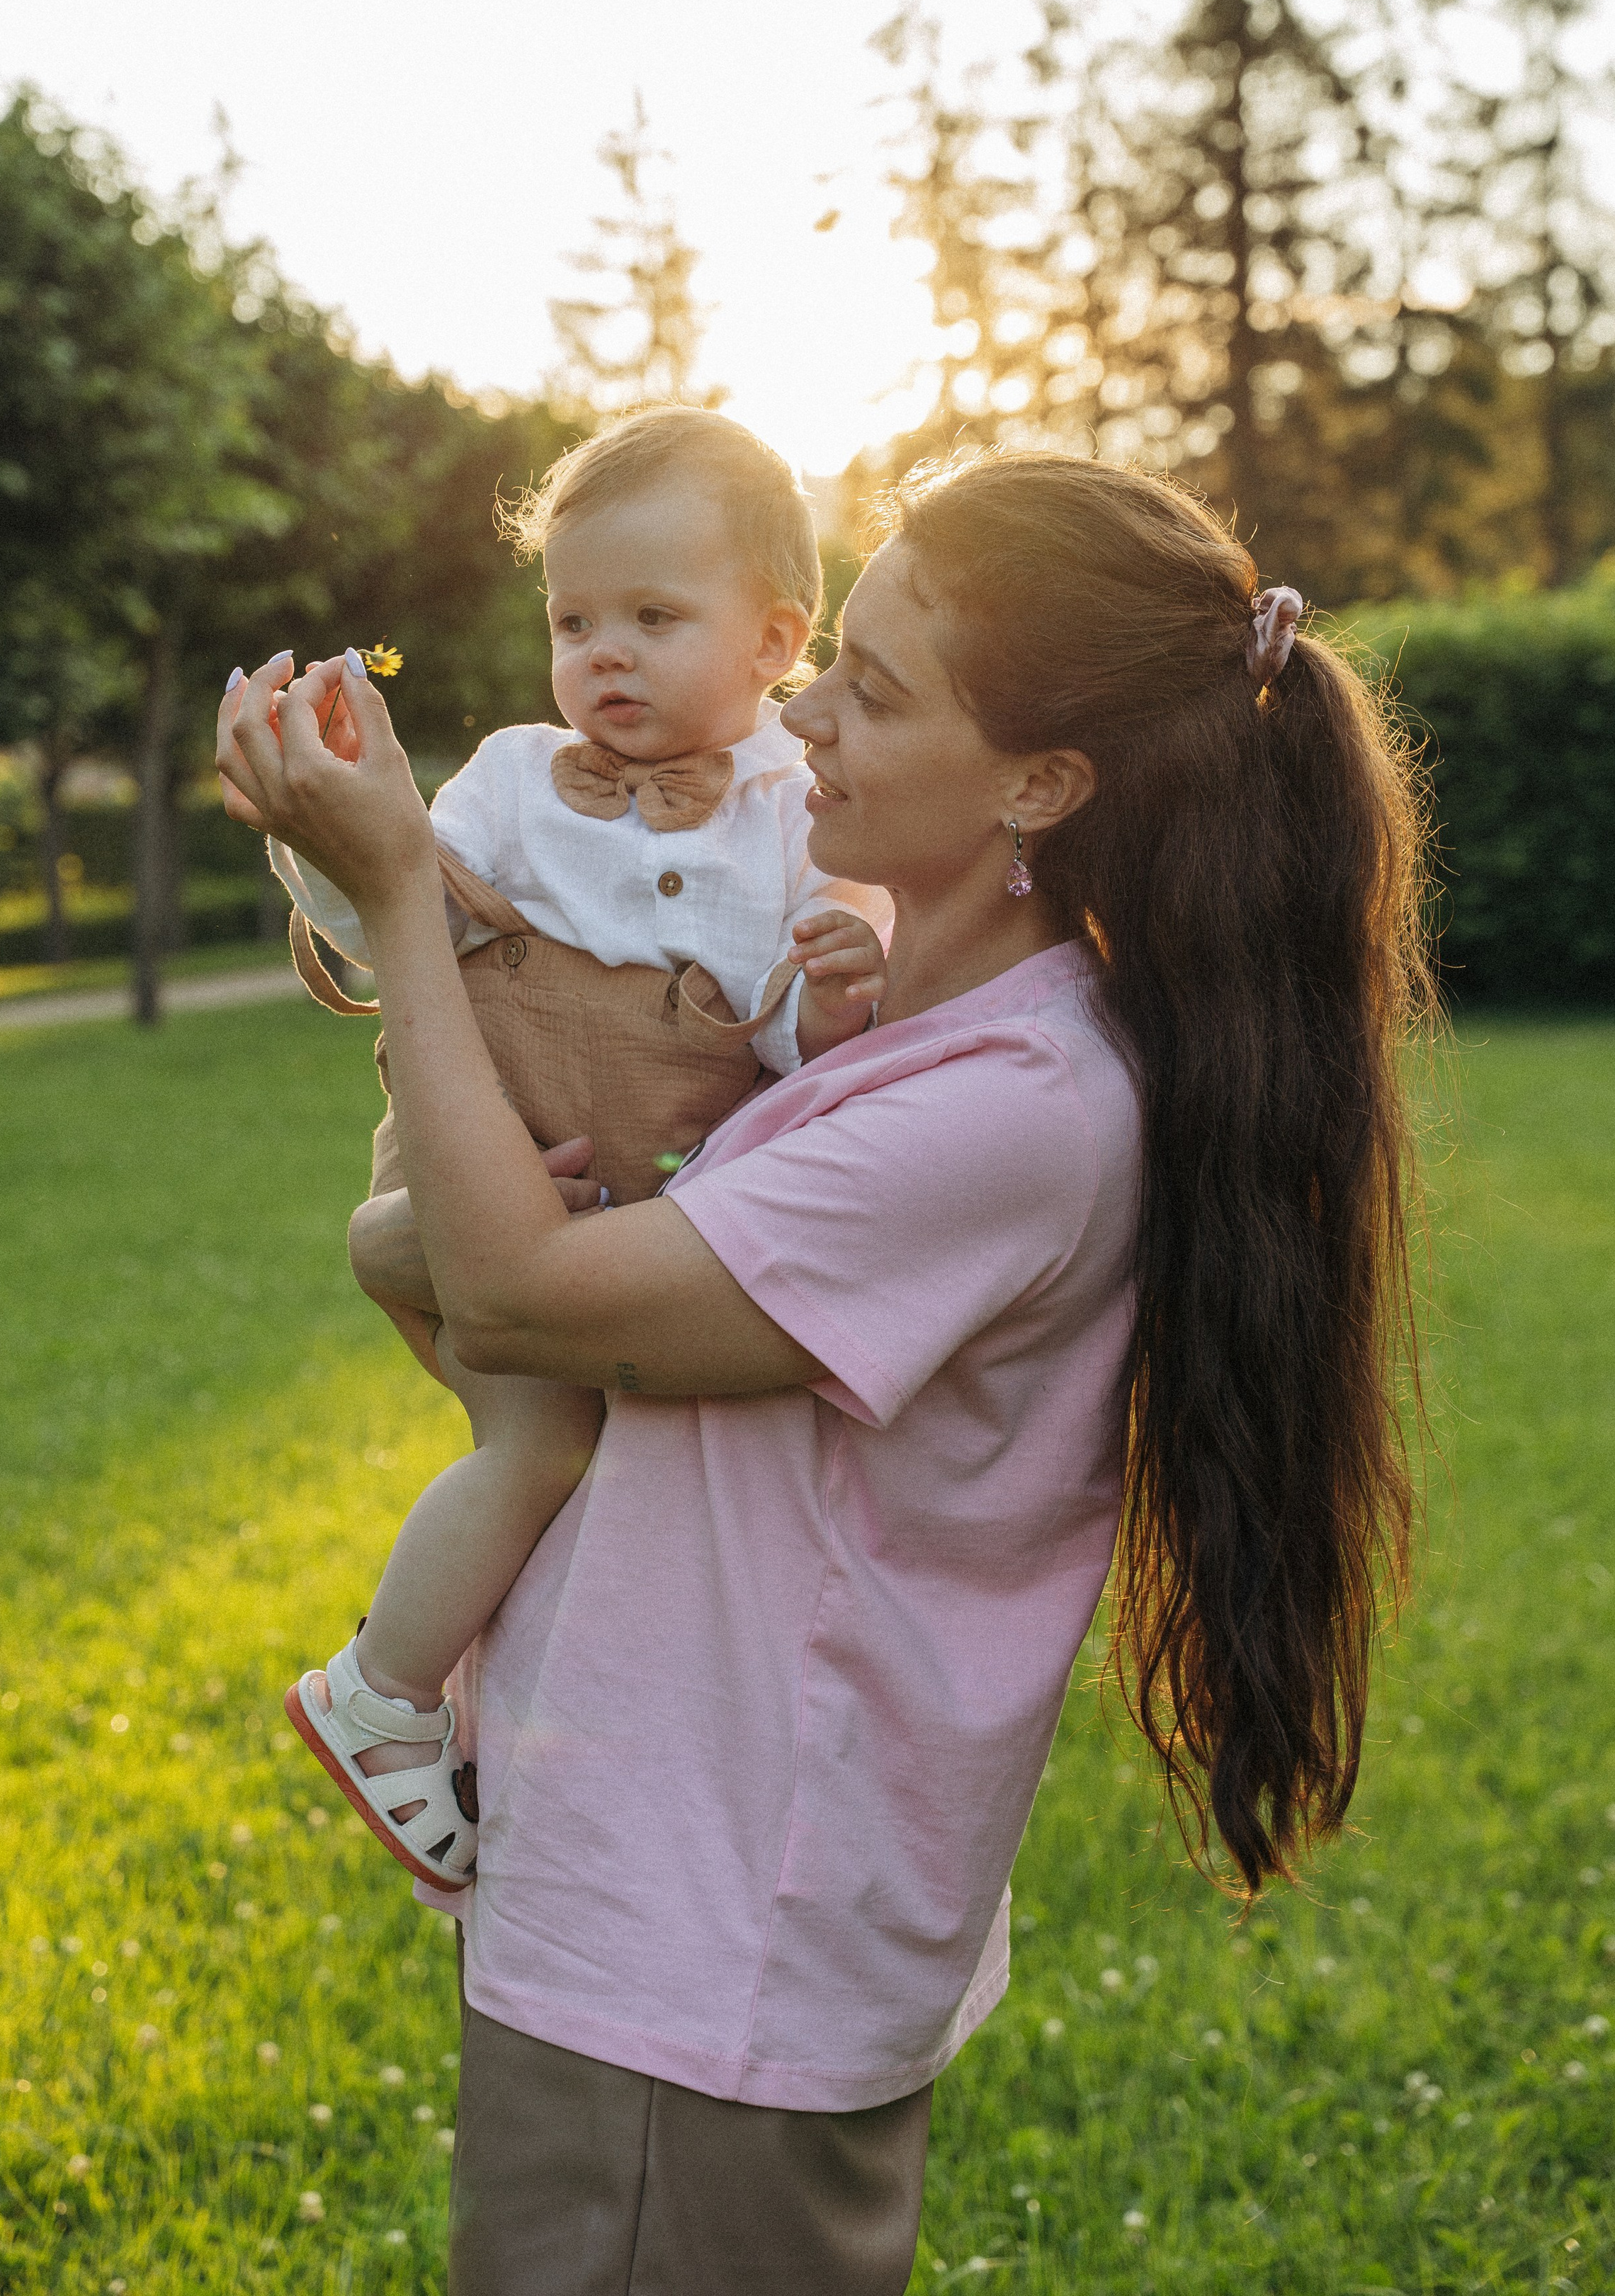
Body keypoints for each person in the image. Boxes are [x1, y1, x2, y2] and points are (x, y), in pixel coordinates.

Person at [217, 448, 1432, 2296]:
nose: (801, 712)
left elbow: (533, 1301)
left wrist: (402, 896)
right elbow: (556, 1340)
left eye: (868, 685)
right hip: (677, 1888)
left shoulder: (1011, 1107)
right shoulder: (901, 1040)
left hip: (709, 1945)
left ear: (1040, 782)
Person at [262, 410, 891, 1891]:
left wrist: (840, 994)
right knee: (543, 1444)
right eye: (572, 619)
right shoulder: (506, 778)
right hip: (468, 1172)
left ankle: (526, 1742)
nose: (600, 652)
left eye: (652, 619)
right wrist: (313, 823)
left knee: (585, 1471)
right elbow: (383, 911)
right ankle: (382, 1696)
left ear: (774, 638)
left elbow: (792, 1063)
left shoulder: (805, 824)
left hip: (617, 1219)